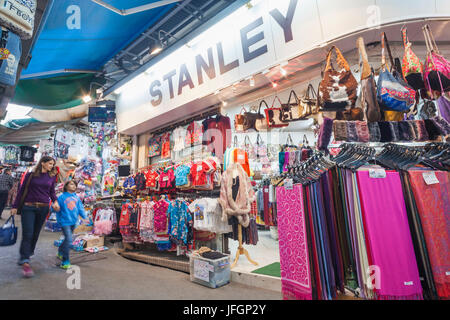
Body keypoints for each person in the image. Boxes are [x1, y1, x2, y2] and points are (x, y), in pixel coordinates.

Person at [11, 156, 60, 278]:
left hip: (43, 208)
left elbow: (52, 192)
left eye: (52, 164)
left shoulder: (51, 177)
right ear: (42, 163)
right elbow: (21, 191)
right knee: (28, 233)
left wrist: (55, 201)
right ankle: (25, 261)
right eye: (49, 163)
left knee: (35, 234)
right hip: (28, 207)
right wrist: (15, 206)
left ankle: (26, 253)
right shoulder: (30, 175)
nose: (51, 166)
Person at [55, 180, 87, 269]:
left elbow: (80, 208)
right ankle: (65, 261)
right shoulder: (61, 197)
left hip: (73, 221)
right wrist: (54, 208)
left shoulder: (76, 197)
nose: (73, 186)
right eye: (71, 184)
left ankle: (60, 251)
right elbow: (54, 207)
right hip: (64, 222)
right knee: (69, 240)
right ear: (66, 186)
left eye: (74, 185)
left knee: (67, 239)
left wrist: (85, 217)